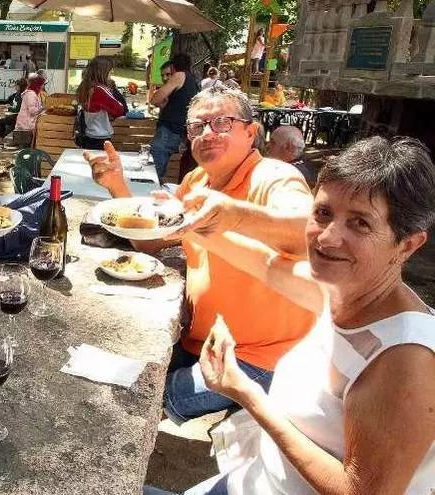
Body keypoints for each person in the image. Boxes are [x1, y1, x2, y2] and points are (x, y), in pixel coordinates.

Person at [146, 136, 435, 494]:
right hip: (250, 481)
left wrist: (247, 394)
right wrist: (189, 223)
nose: (327, 238)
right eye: (323, 213)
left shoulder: (406, 360)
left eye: (360, 223)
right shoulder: (340, 291)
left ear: (407, 245)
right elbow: (266, 265)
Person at [85, 86, 316, 423]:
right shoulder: (195, 181)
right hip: (200, 341)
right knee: (120, 371)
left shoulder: (275, 177)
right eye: (197, 126)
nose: (207, 133)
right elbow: (150, 241)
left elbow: (310, 235)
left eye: (222, 123)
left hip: (256, 355)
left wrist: (234, 215)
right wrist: (117, 186)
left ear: (251, 132)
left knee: (138, 403)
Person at [148, 53, 200, 178]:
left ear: (173, 67)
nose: (166, 77)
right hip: (180, 130)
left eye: (169, 73)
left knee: (154, 172)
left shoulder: (179, 75)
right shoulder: (192, 80)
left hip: (170, 131)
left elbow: (154, 99)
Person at [75, 56, 125, 150]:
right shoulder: (100, 89)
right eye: (110, 69)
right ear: (103, 71)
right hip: (101, 137)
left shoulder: (86, 87)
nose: (112, 72)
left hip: (89, 135)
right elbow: (119, 109)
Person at [0, 78, 27, 148]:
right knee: (3, 122)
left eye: (16, 85)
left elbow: (17, 109)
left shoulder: (21, 95)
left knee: (1, 121)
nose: (15, 86)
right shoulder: (17, 94)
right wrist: (7, 106)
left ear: (20, 86)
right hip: (15, 115)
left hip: (18, 117)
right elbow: (14, 105)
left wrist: (7, 108)